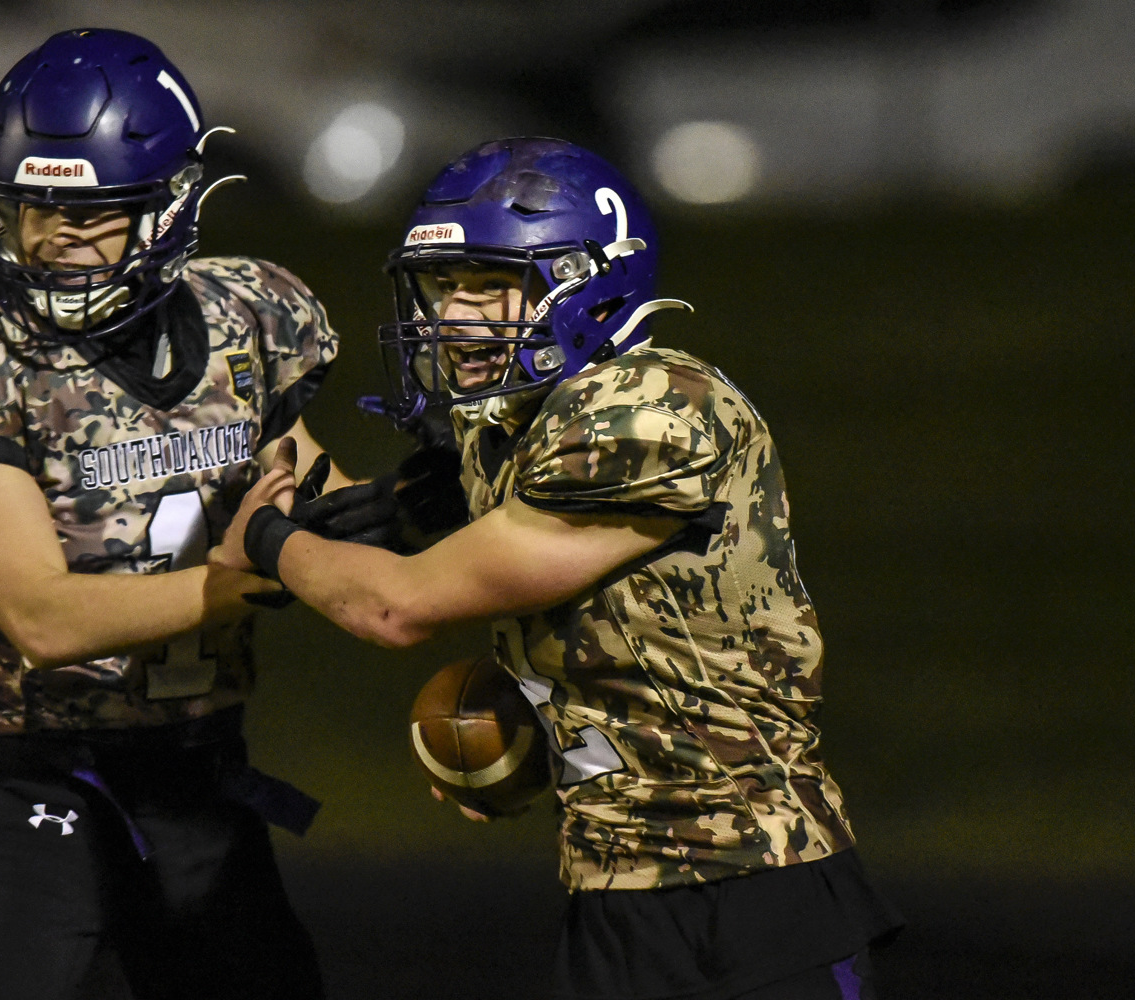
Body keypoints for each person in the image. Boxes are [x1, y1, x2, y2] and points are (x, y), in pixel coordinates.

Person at [217, 138, 905, 1000]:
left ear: (587, 281)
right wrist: (256, 404)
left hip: (748, 889)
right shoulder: (518, 422)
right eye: (445, 286)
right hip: (615, 886)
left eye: (489, 286)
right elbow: (360, 539)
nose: (456, 316)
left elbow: (392, 607)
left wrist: (266, 540)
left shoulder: (653, 410)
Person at [0, 28, 357, 1000]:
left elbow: (318, 495)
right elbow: (39, 616)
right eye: (35, 206)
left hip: (200, 775)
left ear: (168, 208)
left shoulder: (249, 319)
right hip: (36, 775)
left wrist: (409, 525)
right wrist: (243, 578)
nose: (54, 237)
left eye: (95, 212)